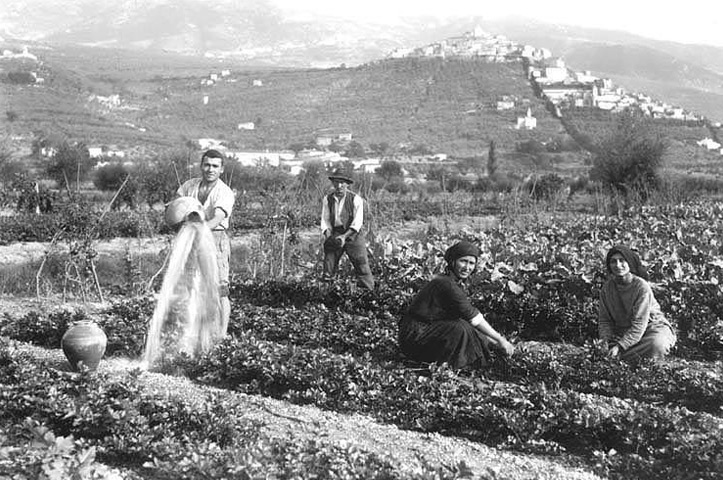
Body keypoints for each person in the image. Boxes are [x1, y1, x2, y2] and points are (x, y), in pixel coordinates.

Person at [398, 240, 515, 370]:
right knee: (459, 329)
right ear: (453, 262)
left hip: (423, 332)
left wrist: (494, 342)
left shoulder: (451, 281)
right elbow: (473, 317)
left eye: (471, 263)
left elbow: (467, 319)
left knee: (462, 325)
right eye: (463, 261)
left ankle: (472, 361)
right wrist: (501, 340)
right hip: (414, 337)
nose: (467, 267)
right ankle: (453, 367)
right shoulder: (446, 284)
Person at [176, 149, 235, 335]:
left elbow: (217, 218)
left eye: (215, 166)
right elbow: (177, 206)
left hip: (215, 239)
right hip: (191, 240)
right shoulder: (189, 186)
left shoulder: (224, 192)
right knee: (191, 285)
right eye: (207, 165)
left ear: (222, 169)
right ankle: (194, 331)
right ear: (201, 166)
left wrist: (199, 229)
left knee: (220, 289)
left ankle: (222, 334)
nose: (210, 169)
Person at [598, 245, 676, 362]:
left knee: (657, 344)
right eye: (613, 262)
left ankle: (625, 356)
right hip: (625, 331)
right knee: (604, 351)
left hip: (651, 329)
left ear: (629, 262)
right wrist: (605, 342)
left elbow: (640, 323)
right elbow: (605, 321)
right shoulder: (607, 288)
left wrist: (620, 346)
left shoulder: (641, 287)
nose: (618, 265)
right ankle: (622, 356)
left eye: (622, 260)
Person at [320, 168, 374, 290]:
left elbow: (357, 223)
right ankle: (326, 293)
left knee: (362, 266)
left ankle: (369, 292)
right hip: (335, 232)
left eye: (342, 183)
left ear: (347, 184)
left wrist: (344, 237)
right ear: (333, 183)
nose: (339, 186)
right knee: (328, 266)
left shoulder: (356, 199)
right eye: (336, 182)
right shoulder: (327, 199)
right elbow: (325, 220)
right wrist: (328, 235)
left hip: (353, 235)